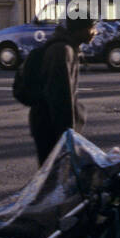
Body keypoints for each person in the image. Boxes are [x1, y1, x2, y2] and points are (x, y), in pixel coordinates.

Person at [27, 14, 96, 165]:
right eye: (92, 28)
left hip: (50, 124)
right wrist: (67, 135)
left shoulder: (67, 48)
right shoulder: (63, 51)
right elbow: (61, 97)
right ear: (80, 30)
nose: (94, 32)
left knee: (55, 177)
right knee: (52, 178)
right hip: (50, 127)